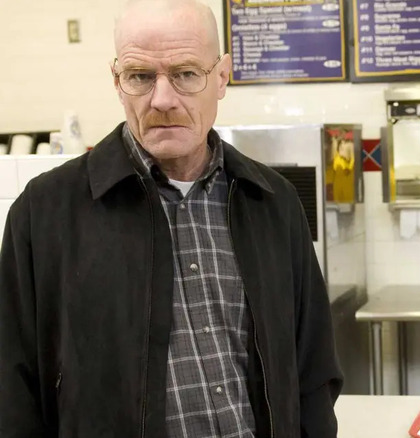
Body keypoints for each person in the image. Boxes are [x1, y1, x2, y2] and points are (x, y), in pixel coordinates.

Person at [0, 1, 342, 436]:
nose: (163, 99)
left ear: (221, 77)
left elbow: (313, 370)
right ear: (117, 82)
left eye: (185, 73)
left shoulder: (273, 203)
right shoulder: (44, 213)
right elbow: (12, 389)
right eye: (140, 76)